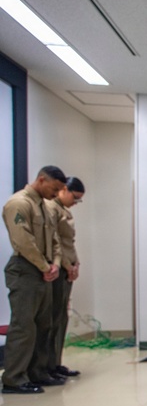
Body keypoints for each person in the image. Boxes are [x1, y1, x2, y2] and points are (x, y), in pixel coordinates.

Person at [2, 166, 67, 393]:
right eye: (55, 188)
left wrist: (55, 265)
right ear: (41, 179)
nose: (57, 193)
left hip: (45, 270)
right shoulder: (19, 204)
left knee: (44, 325)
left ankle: (37, 373)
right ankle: (14, 379)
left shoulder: (46, 208)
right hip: (26, 269)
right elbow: (23, 241)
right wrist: (44, 266)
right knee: (24, 327)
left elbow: (56, 241)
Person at [47, 176, 85, 379]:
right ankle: (47, 366)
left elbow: (69, 242)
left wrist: (76, 263)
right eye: (75, 197)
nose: (75, 202)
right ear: (63, 190)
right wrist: (66, 265)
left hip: (67, 268)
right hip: (58, 268)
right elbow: (55, 243)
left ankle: (55, 363)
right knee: (52, 319)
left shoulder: (63, 210)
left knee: (61, 318)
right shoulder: (51, 208)